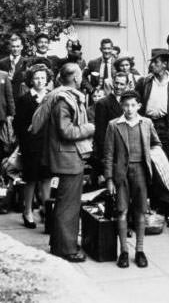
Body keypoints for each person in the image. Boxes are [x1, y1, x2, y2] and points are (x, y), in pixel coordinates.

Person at [104, 90, 162, 269]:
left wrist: (153, 159)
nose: (129, 109)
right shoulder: (114, 125)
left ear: (139, 106)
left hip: (141, 173)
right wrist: (109, 180)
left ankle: (140, 250)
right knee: (121, 211)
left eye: (133, 105)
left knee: (140, 211)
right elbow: (108, 155)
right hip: (121, 174)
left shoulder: (146, 123)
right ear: (121, 106)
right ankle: (123, 251)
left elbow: (156, 143)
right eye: (126, 105)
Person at [46, 63, 95, 262]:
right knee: (68, 206)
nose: (82, 78)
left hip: (68, 158)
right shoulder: (64, 101)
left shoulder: (64, 97)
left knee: (65, 204)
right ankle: (66, 249)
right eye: (80, 75)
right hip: (68, 159)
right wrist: (89, 128)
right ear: (75, 78)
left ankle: (59, 244)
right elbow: (66, 131)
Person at [12, 63, 52, 228]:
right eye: (36, 78)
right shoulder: (25, 99)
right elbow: (18, 124)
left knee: (47, 177)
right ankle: (27, 210)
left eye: (43, 78)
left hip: (47, 144)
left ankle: (46, 209)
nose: (40, 81)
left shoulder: (51, 97)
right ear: (31, 80)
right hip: (31, 145)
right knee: (31, 179)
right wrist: (26, 140)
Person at [90, 72, 126, 182]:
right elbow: (100, 133)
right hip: (111, 149)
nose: (119, 87)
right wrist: (104, 155)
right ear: (112, 83)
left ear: (127, 85)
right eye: (117, 83)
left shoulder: (129, 102)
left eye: (122, 84)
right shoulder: (103, 103)